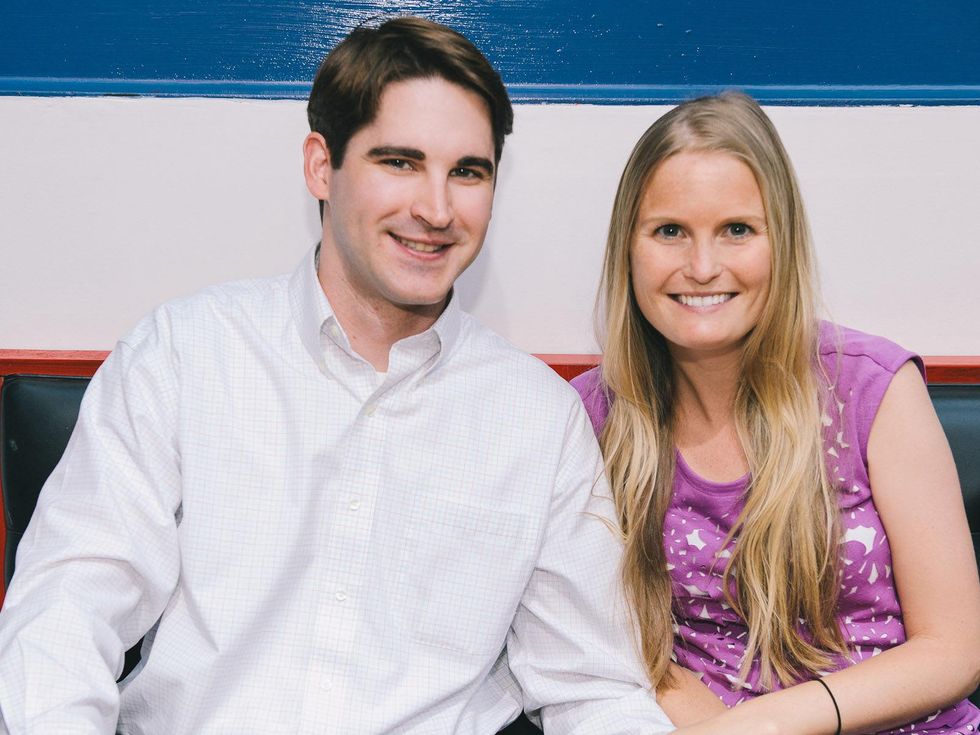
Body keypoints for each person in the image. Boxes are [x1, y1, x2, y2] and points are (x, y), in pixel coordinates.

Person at [0, 17, 676, 734]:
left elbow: (593, 690)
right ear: (322, 166)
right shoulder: (183, 356)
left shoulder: (537, 419)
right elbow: (63, 618)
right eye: (400, 162)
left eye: (467, 172)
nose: (436, 209)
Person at [572, 92, 980, 734]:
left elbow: (952, 650)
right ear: (628, 246)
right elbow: (604, 646)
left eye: (737, 230)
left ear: (781, 242)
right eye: (669, 231)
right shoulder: (588, 419)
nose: (702, 267)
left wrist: (766, 726)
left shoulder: (872, 389)